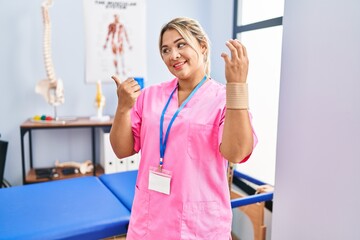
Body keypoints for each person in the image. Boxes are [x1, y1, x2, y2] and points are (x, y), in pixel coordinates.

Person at [110, 17, 257, 240]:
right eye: (165, 50)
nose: (173, 55)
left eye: (181, 45)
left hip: (199, 226)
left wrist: (237, 86)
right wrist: (123, 109)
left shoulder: (224, 99)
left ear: (202, 46)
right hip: (149, 222)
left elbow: (236, 152)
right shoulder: (150, 96)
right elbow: (122, 150)